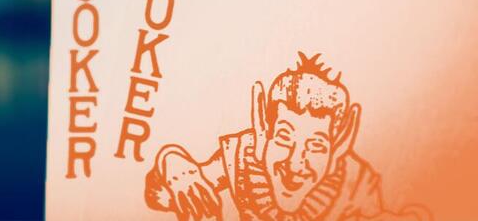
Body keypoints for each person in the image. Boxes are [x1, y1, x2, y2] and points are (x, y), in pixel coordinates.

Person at [144, 52, 431, 221]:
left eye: (316, 146)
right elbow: (162, 196)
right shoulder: (243, 158)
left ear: (339, 146)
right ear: (263, 132)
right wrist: (173, 163)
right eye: (283, 139)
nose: (295, 165)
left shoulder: (355, 184)